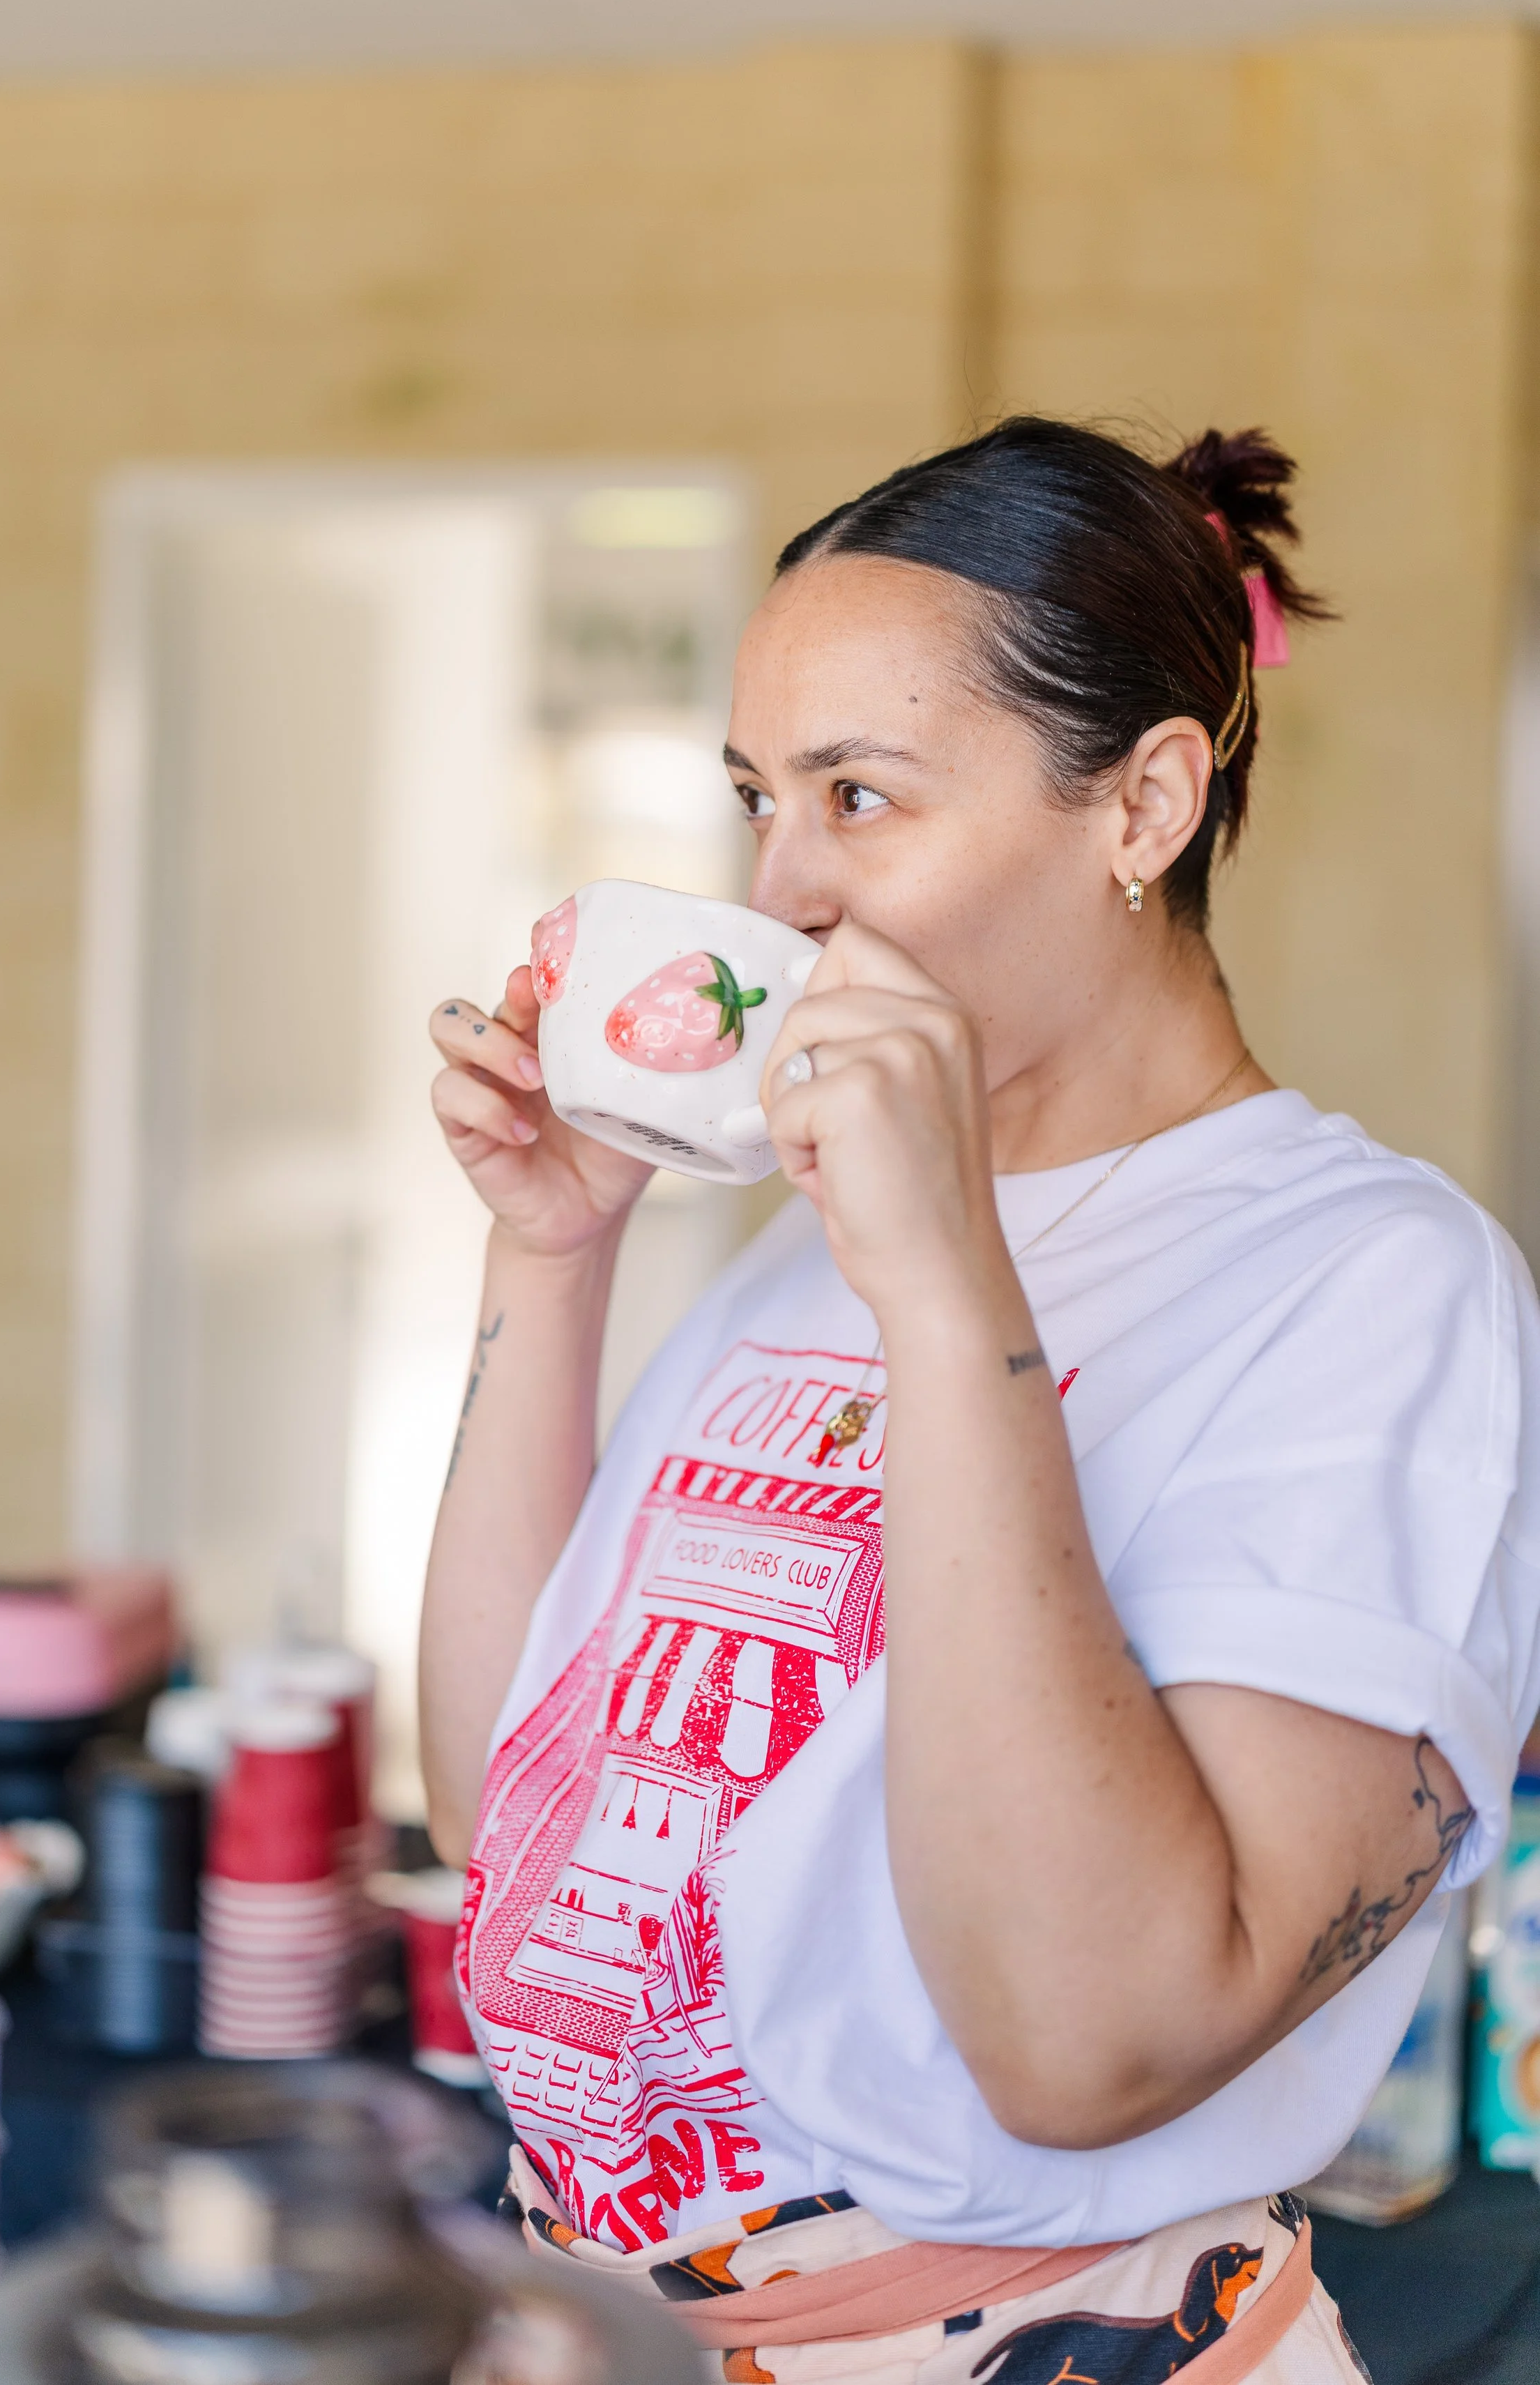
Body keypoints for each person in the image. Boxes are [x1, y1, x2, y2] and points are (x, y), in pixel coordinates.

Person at [420, 419, 1540, 2382]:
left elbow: (1088, 2039)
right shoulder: (802, 1243)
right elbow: (496, 1813)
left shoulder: (1376, 1287)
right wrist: (552, 1253)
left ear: (1144, 805)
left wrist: (948, 1295)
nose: (781, 887)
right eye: (759, 797)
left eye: (859, 794)